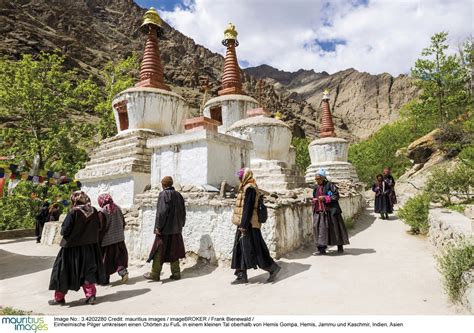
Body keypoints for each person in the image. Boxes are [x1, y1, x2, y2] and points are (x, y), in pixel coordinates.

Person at [48, 191, 105, 305]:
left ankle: (59, 298)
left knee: (63, 271)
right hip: (89, 247)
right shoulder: (94, 211)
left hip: (71, 248)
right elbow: (99, 226)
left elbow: (65, 230)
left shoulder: (73, 212)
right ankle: (91, 296)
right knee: (88, 271)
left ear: (74, 200)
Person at [230, 168, 281, 284]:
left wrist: (243, 225)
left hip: (249, 225)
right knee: (240, 249)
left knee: (255, 249)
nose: (238, 178)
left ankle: (272, 268)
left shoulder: (250, 189)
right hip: (243, 223)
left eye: (240, 176)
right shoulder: (245, 187)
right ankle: (241, 274)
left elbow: (248, 208)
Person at [144, 176, 186, 281]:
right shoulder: (179, 195)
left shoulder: (163, 195)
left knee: (159, 251)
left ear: (163, 185)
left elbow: (162, 212)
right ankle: (176, 273)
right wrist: (181, 224)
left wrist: (158, 226)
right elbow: (183, 212)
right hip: (176, 229)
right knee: (174, 250)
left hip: (165, 229)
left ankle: (155, 273)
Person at [312, 169, 350, 255]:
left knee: (336, 229)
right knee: (320, 229)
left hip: (331, 211)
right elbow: (315, 197)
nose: (317, 180)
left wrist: (325, 198)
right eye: (316, 179)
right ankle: (321, 249)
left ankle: (340, 246)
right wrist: (315, 200)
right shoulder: (316, 188)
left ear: (323, 178)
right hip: (320, 211)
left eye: (319, 178)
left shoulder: (330, 185)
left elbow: (336, 196)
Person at [97, 193, 129, 285]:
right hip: (119, 239)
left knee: (106, 261)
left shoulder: (102, 212)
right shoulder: (117, 208)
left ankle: (104, 280)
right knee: (119, 258)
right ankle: (123, 272)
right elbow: (123, 222)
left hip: (107, 242)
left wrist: (98, 240)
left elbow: (101, 228)